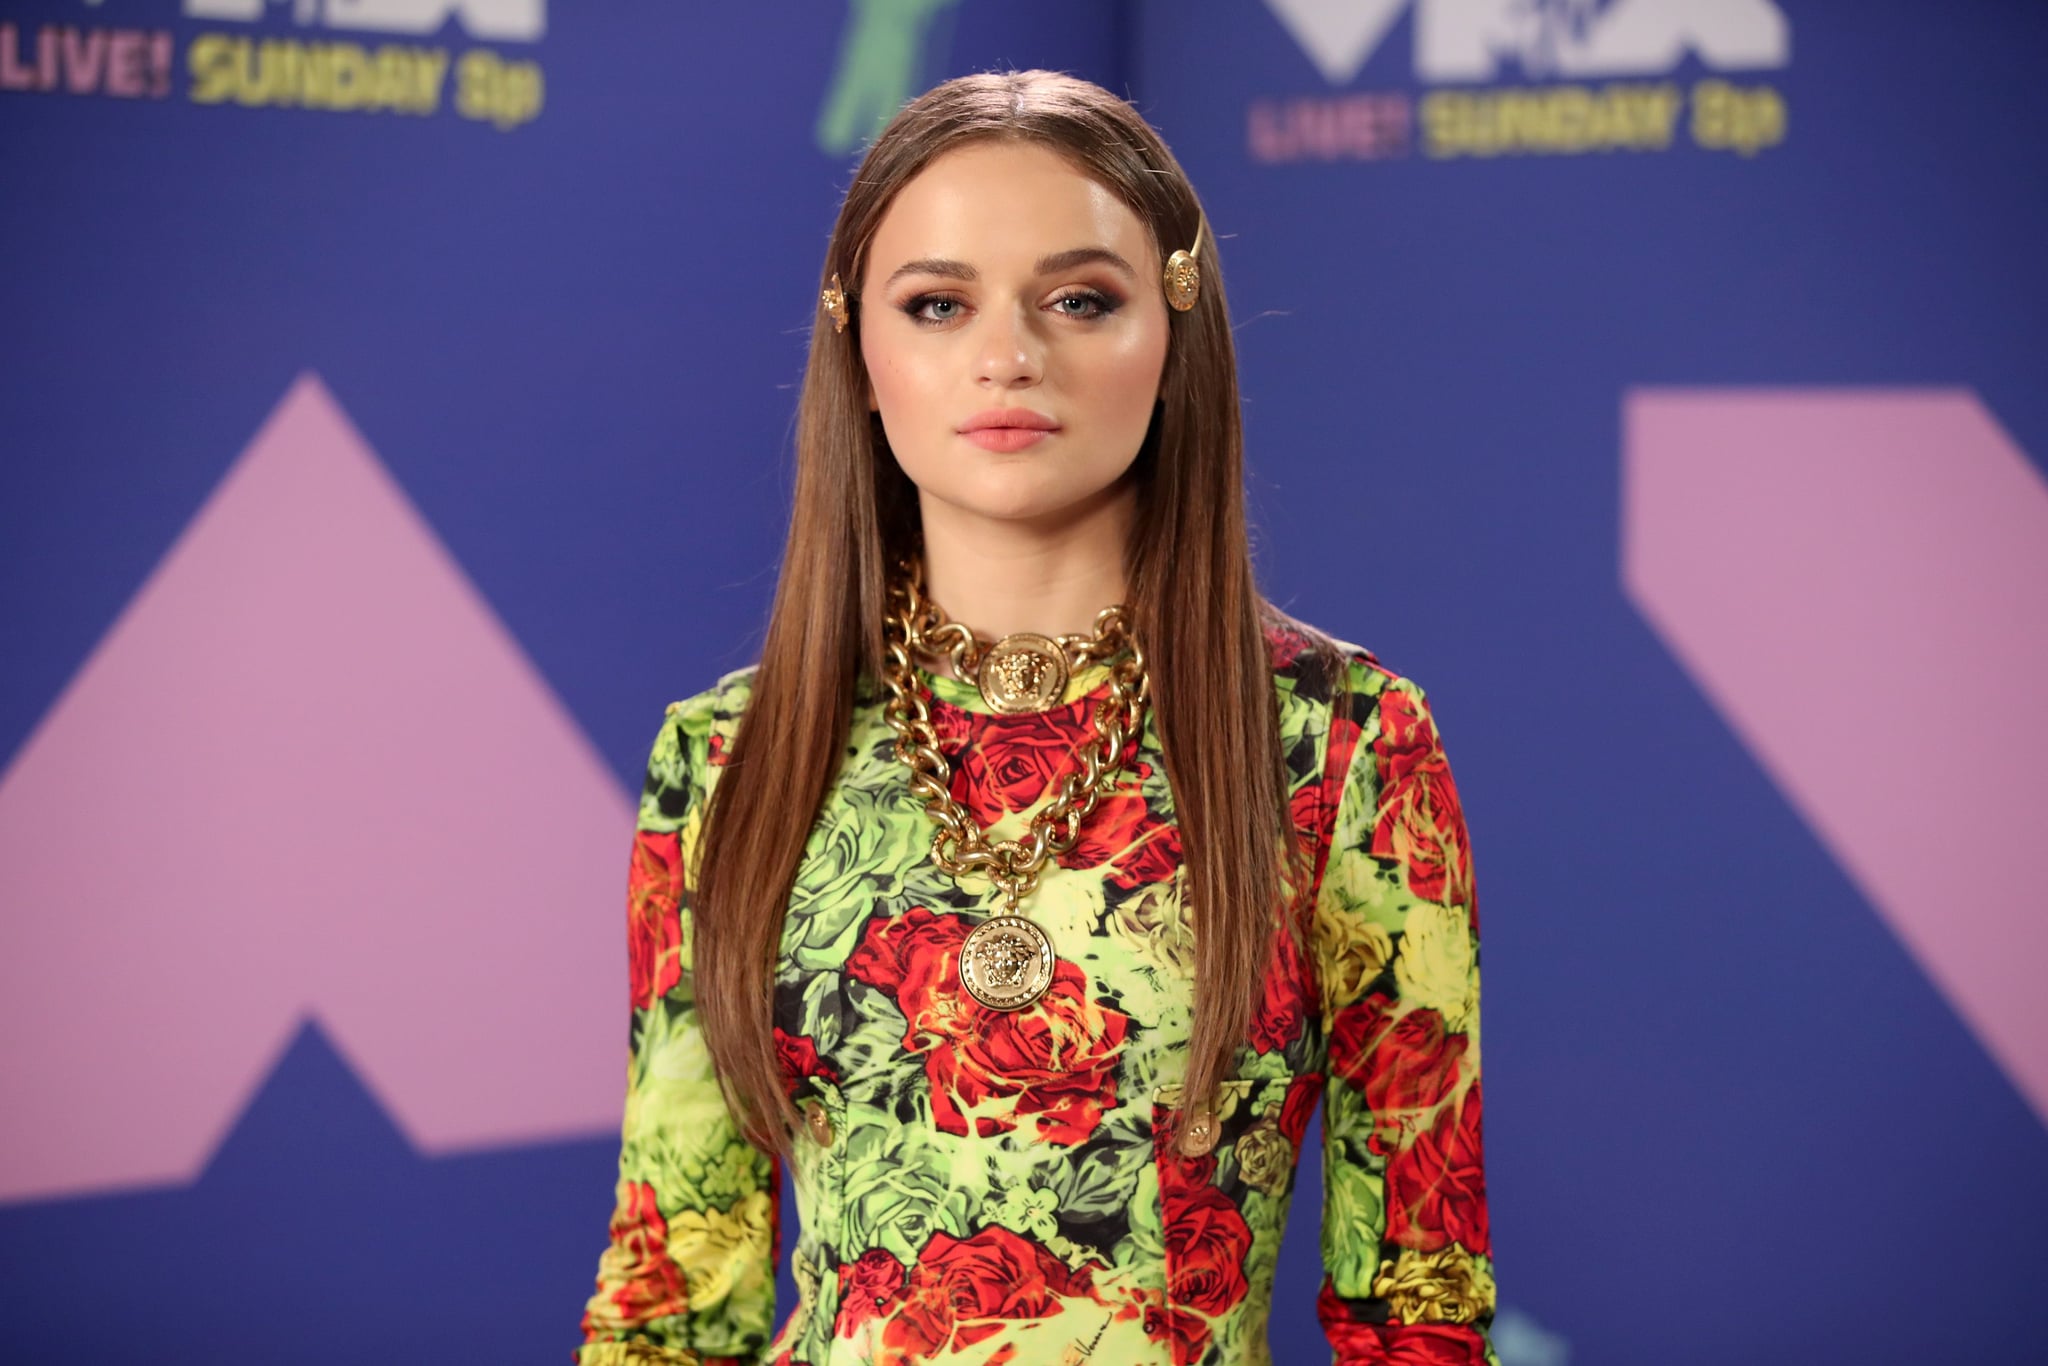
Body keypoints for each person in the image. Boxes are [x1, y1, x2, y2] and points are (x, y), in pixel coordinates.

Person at [575, 69, 1494, 1366]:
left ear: (1175, 331)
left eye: (1079, 299)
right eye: (938, 304)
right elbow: (671, 1297)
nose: (1006, 355)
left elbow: (1418, 1300)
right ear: (858, 344)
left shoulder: (1340, 742)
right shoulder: (728, 759)